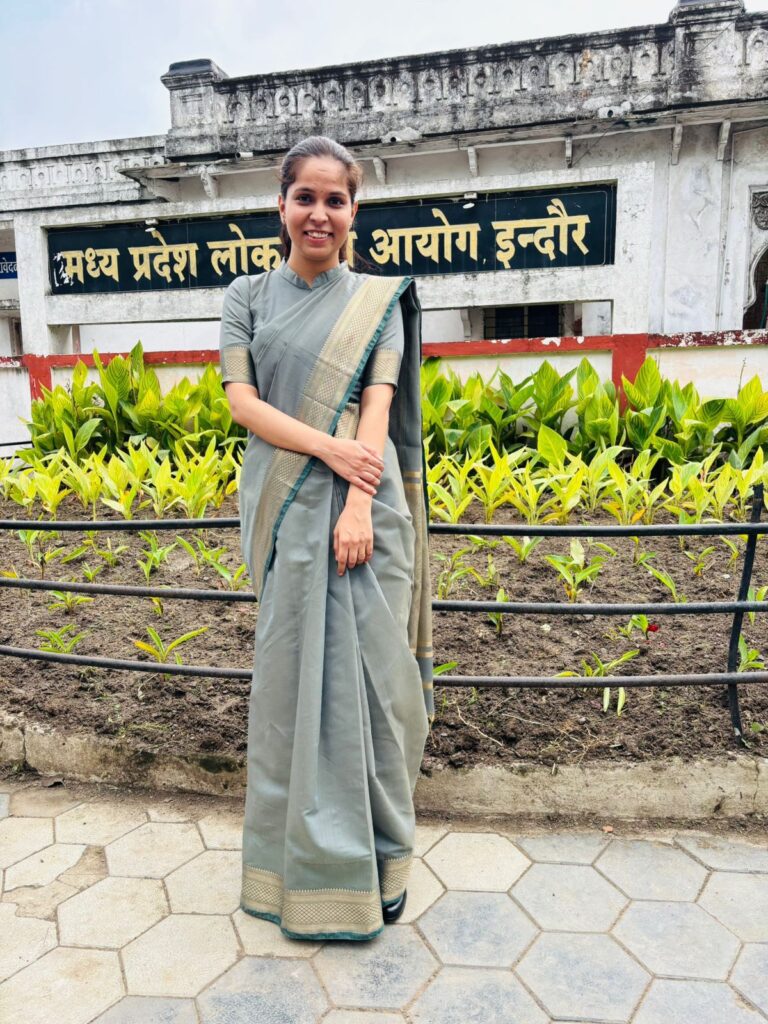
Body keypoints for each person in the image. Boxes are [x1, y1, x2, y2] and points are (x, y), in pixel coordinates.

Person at [219, 135, 435, 942]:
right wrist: (327, 450)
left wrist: (357, 501)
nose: (319, 213)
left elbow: (377, 404)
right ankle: (295, 875)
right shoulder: (246, 296)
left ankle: (379, 868)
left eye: (334, 200)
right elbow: (243, 403)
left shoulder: (379, 301)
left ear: (353, 212)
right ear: (280, 205)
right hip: (284, 508)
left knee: (375, 694)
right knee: (289, 696)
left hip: (362, 514)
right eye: (304, 197)